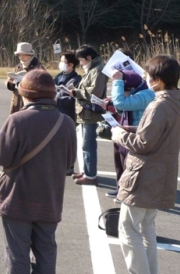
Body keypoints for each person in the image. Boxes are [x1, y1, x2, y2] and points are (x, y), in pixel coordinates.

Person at [0, 70, 77, 274]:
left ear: (25, 94)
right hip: (50, 197)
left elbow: (0, 158)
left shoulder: (17, 120)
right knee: (46, 252)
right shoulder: (66, 122)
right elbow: (69, 163)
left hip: (17, 196)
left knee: (17, 253)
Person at [111, 55, 180, 274]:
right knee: (146, 228)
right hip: (161, 173)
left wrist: (118, 135)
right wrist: (130, 129)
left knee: (128, 228)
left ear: (157, 80)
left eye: (148, 75)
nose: (146, 78)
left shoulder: (159, 105)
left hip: (144, 174)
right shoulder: (178, 101)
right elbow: (156, 133)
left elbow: (143, 144)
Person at [105, 68, 154, 198]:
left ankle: (128, 194)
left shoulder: (146, 95)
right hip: (125, 131)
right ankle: (120, 189)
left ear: (131, 88)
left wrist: (118, 81)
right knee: (120, 162)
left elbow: (121, 103)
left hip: (136, 135)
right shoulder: (136, 93)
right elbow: (122, 109)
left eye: (123, 91)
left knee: (130, 166)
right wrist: (109, 105)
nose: (121, 94)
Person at [68, 45, 108, 185]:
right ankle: (86, 172)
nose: (80, 63)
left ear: (89, 57)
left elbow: (95, 92)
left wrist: (76, 92)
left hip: (91, 113)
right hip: (85, 113)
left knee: (88, 145)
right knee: (85, 145)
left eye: (81, 60)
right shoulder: (93, 69)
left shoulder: (98, 70)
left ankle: (91, 176)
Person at [54, 51, 81, 176]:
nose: (61, 64)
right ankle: (57, 164)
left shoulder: (76, 80)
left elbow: (73, 99)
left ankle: (69, 165)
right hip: (56, 112)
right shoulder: (59, 76)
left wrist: (57, 99)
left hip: (68, 113)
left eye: (63, 61)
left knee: (67, 140)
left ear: (71, 65)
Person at [5, 42, 44, 115]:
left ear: (30, 55)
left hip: (31, 103)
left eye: (23, 55)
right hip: (17, 102)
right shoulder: (18, 67)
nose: (21, 57)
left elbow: (43, 86)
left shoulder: (38, 68)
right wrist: (10, 82)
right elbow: (13, 86)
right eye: (19, 55)